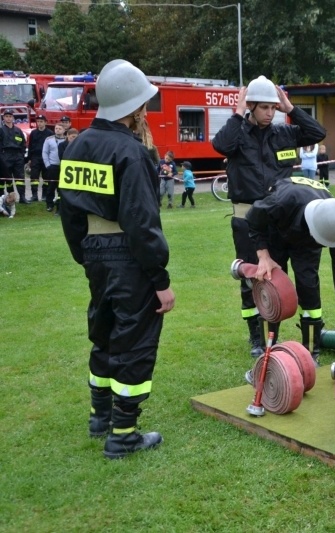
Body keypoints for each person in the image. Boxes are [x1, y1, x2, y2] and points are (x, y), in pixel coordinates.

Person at [59, 59, 175, 459]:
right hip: (128, 255)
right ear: (135, 108)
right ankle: (123, 433)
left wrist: (85, 253)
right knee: (135, 339)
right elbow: (142, 223)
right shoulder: (131, 151)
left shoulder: (76, 146)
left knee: (104, 332)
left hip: (94, 254)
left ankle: (99, 416)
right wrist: (160, 279)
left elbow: (69, 211)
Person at [212, 75, 326, 358]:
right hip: (248, 220)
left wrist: (291, 109)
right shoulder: (238, 135)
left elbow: (317, 133)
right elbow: (220, 145)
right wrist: (237, 113)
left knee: (291, 278)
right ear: (251, 106)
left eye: (273, 108)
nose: (270, 113)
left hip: (282, 221)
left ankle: (307, 339)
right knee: (254, 278)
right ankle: (258, 338)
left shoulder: (283, 133)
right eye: (265, 108)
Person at [245, 177, 335, 371]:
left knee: (308, 286)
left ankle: (311, 352)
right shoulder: (280, 201)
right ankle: (267, 351)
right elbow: (253, 219)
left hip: (305, 245)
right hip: (277, 231)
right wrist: (263, 255)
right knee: (271, 288)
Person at [1, 108, 27, 200]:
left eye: (10, 116)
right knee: (7, 178)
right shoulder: (1, 130)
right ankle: (9, 198)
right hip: (5, 156)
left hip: (17, 156)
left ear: (13, 118)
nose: (8, 118)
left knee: (20, 178)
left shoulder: (18, 130)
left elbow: (23, 143)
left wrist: (22, 154)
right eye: (6, 116)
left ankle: (22, 197)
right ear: (3, 118)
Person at [27, 114, 53, 202]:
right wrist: (29, 158)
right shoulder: (33, 133)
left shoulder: (50, 133)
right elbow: (30, 146)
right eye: (38, 121)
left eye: (41, 121)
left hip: (46, 158)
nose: (39, 123)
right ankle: (34, 195)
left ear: (45, 122)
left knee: (46, 177)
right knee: (34, 177)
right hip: (35, 157)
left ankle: (44, 195)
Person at [42, 123, 66, 212]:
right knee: (51, 186)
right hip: (53, 166)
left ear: (64, 130)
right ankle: (49, 204)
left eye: (60, 128)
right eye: (56, 128)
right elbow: (45, 153)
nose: (57, 130)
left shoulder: (66, 140)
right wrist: (48, 165)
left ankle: (60, 205)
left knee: (61, 187)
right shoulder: (49, 140)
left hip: (63, 167)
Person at [55, 128, 79, 215]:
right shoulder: (61, 145)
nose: (74, 139)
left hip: (76, 170)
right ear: (68, 136)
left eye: (76, 137)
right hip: (65, 169)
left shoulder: (79, 145)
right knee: (61, 191)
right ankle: (59, 209)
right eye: (72, 137)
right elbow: (62, 157)